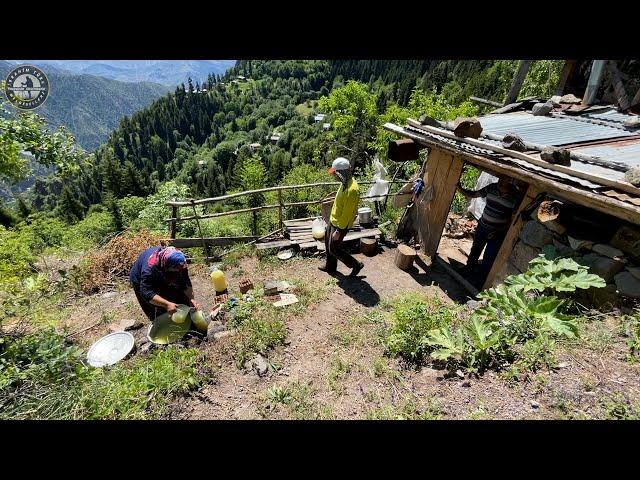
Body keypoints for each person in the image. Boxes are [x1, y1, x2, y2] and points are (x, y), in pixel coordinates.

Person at [456, 176, 522, 284]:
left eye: (504, 180)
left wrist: (499, 232)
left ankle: (480, 281)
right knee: (475, 250)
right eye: (500, 179)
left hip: (497, 232)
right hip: (482, 226)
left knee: (489, 257)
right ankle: (468, 270)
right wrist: (460, 188)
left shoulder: (515, 197)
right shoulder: (492, 188)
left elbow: (513, 220)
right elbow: (474, 194)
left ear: (511, 181)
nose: (500, 182)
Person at [318, 157, 364, 277]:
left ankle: (356, 265)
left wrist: (338, 230)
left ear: (342, 172)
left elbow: (347, 213)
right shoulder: (345, 182)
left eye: (336, 173)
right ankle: (330, 266)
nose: (334, 176)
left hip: (341, 224)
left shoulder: (352, 189)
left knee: (334, 249)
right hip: (334, 220)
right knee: (328, 244)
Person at [129, 245, 201, 321]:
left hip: (163, 271)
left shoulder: (180, 262)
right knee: (157, 311)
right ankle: (161, 323)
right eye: (176, 270)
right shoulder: (149, 269)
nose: (179, 271)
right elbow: (146, 292)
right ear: (166, 266)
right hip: (139, 279)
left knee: (180, 299)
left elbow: (185, 281)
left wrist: (191, 299)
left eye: (180, 270)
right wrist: (166, 304)